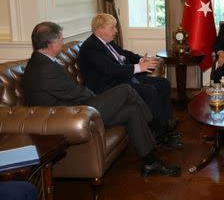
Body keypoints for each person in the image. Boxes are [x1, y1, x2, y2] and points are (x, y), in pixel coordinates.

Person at [22, 22, 180, 177]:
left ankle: (150, 162)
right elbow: (76, 94)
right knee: (126, 90)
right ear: (51, 43)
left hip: (73, 109)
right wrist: (100, 99)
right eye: (61, 40)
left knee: (131, 110)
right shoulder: (46, 69)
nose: (63, 43)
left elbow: (70, 92)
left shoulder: (40, 61)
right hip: (73, 116)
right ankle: (156, 125)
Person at [78, 13, 181, 148]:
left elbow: (124, 54)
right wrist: (139, 67)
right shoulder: (91, 47)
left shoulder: (107, 42)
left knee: (163, 84)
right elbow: (110, 69)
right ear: (100, 29)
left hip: (121, 78)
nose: (115, 31)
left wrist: (140, 59)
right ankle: (158, 132)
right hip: (108, 87)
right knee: (149, 91)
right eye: (112, 28)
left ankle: (165, 123)